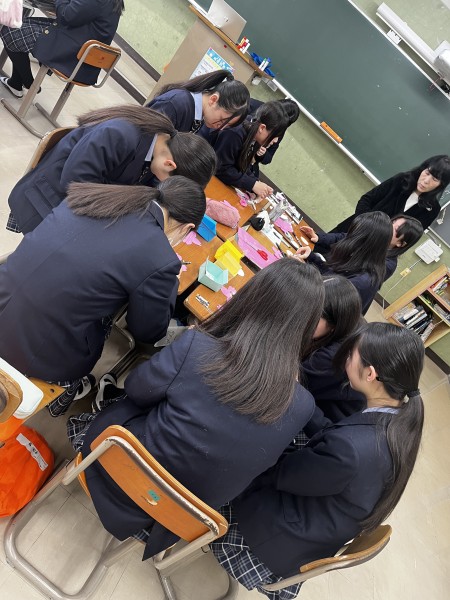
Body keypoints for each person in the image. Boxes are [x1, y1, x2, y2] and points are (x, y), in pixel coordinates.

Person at [66, 259, 325, 561]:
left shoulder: (198, 346)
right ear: (307, 328)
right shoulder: (302, 405)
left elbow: (136, 388)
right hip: (178, 518)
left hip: (114, 469)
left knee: (132, 400)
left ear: (253, 295)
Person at [212, 322, 425, 599]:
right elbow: (331, 435)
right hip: (317, 527)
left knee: (235, 455)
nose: (346, 357)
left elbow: (283, 475)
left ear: (370, 374)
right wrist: (298, 394)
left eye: (352, 354)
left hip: (274, 539)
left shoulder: (350, 449)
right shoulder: (398, 422)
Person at [0, 177, 205, 416]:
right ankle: (58, 400)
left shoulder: (95, 196)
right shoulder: (160, 258)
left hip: (6, 294)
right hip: (31, 352)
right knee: (103, 324)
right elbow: (148, 331)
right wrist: (172, 281)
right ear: (187, 228)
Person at [7, 106, 217, 234]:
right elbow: (74, 185)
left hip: (67, 203)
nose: (161, 183)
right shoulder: (119, 135)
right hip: (45, 201)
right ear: (170, 164)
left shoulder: (156, 142)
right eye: (168, 182)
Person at [0, 0, 124, 98]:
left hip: (71, 54)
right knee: (20, 24)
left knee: (11, 28)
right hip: (77, 49)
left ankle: (28, 82)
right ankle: (16, 83)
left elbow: (66, 16)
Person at [303, 211, 394, 314]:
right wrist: (312, 258)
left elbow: (320, 299)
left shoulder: (361, 282)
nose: (347, 238)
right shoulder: (364, 261)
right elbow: (332, 275)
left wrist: (303, 272)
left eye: (353, 235)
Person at [302, 276, 365, 422]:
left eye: (313, 316)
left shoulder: (334, 357)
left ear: (334, 324)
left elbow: (286, 382)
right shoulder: (349, 320)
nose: (303, 318)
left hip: (318, 423)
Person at [331, 155, 450, 233]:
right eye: (427, 173)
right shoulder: (401, 180)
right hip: (350, 230)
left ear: (441, 185)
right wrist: (364, 226)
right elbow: (366, 200)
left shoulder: (431, 210)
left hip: (371, 251)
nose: (426, 180)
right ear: (423, 169)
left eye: (435, 179)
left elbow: (409, 238)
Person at [203, 101, 290, 198]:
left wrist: (256, 182)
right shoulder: (235, 133)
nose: (275, 141)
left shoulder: (254, 133)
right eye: (275, 136)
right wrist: (252, 184)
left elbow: (242, 164)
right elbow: (221, 169)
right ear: (262, 128)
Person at [147, 70, 250, 133]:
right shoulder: (175, 104)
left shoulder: (200, 117)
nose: (221, 128)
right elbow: (144, 139)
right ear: (213, 100)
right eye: (222, 121)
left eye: (227, 125)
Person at [248, 98, 300, 177]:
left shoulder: (280, 130)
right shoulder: (253, 106)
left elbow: (268, 158)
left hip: (248, 161)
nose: (276, 140)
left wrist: (262, 154)